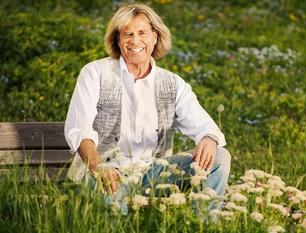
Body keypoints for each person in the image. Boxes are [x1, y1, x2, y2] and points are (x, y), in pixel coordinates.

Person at [64, 3, 231, 212]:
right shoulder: (95, 73)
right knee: (112, 208)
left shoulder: (171, 83)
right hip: (106, 172)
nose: (135, 41)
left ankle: (206, 225)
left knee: (220, 156)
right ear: (117, 39)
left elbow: (202, 123)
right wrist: (98, 166)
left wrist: (208, 137)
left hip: (153, 176)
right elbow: (79, 129)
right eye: (127, 34)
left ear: (155, 36)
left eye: (142, 32)